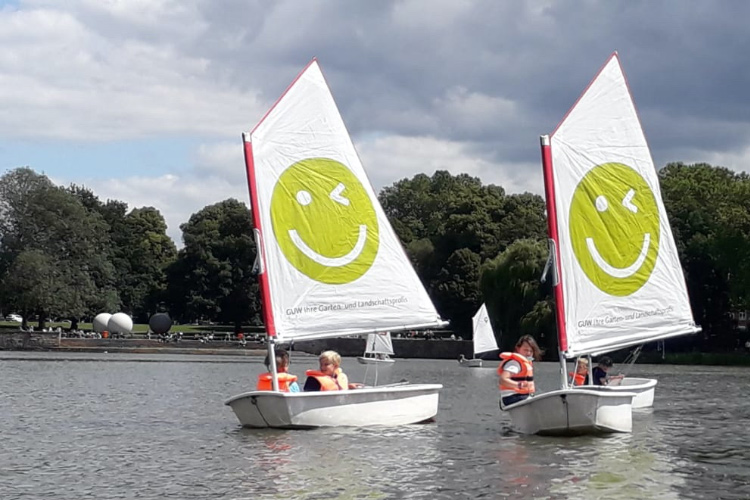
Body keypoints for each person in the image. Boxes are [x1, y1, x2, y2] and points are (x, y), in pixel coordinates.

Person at [498, 334, 542, 407]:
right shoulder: (515, 363)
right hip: (513, 397)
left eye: (531, 351)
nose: (528, 353)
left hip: (521, 396)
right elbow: (502, 380)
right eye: (525, 350)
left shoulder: (525, 363)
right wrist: (519, 385)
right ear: (518, 349)